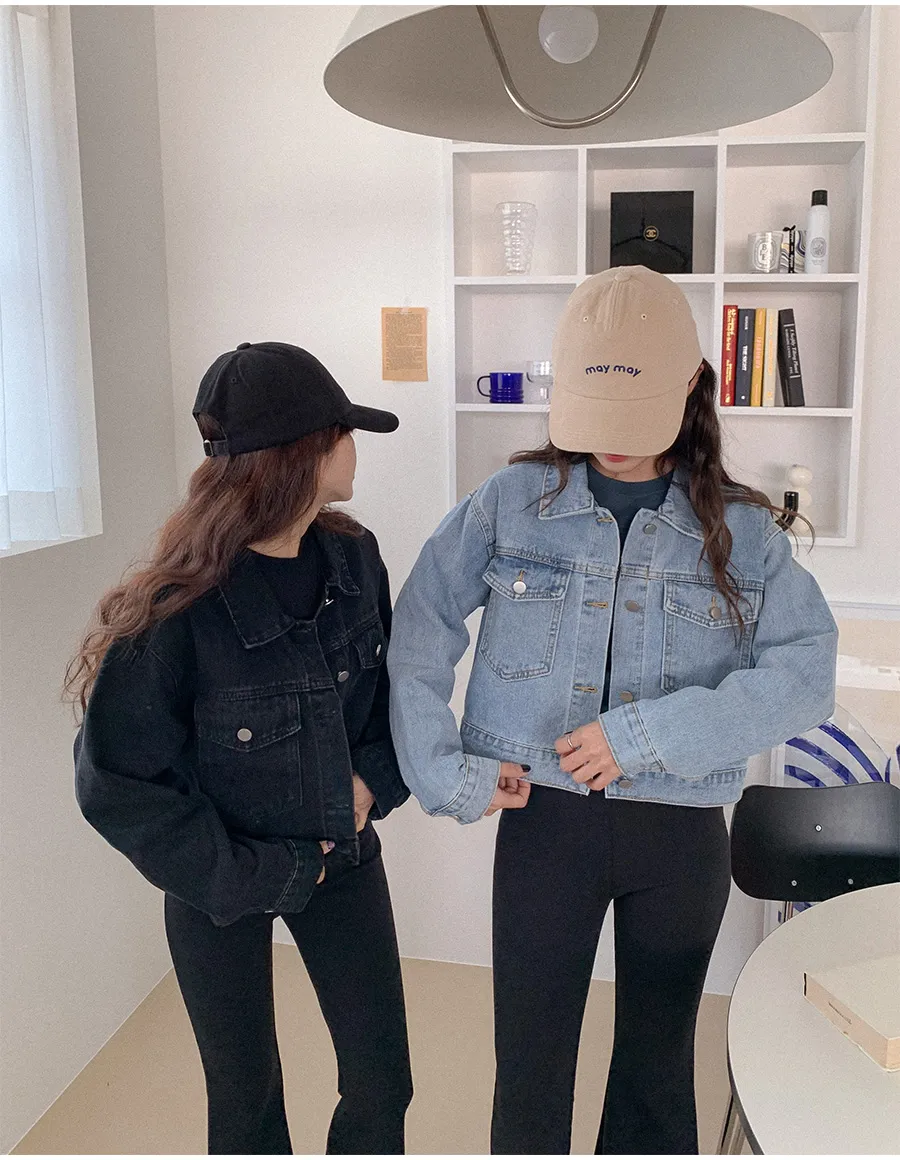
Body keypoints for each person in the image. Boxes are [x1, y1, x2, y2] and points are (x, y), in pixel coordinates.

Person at [387, 267, 837, 1155]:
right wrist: (445, 773)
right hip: (544, 823)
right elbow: (419, 630)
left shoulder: (745, 532)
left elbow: (806, 674)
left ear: (691, 388)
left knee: (656, 1071)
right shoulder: (510, 505)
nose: (609, 446)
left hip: (680, 834)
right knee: (530, 1062)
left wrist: (644, 736)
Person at [69, 343, 413, 1155]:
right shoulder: (178, 607)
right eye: (345, 432)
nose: (354, 447)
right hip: (217, 882)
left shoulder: (355, 560)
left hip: (341, 859)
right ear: (307, 452)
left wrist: (373, 781)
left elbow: (392, 701)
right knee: (244, 1098)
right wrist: (259, 873)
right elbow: (115, 783)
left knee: (381, 1081)